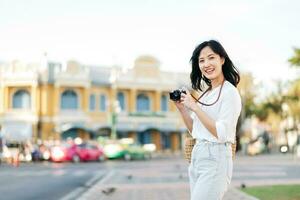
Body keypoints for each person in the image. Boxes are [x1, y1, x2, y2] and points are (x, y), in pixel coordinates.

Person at [174, 40, 242, 199]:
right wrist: (183, 109)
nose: (206, 64)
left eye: (211, 58)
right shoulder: (207, 93)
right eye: (201, 60)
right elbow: (196, 130)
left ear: (222, 59)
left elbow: (221, 133)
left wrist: (195, 107)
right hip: (198, 156)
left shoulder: (229, 93)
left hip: (216, 157)